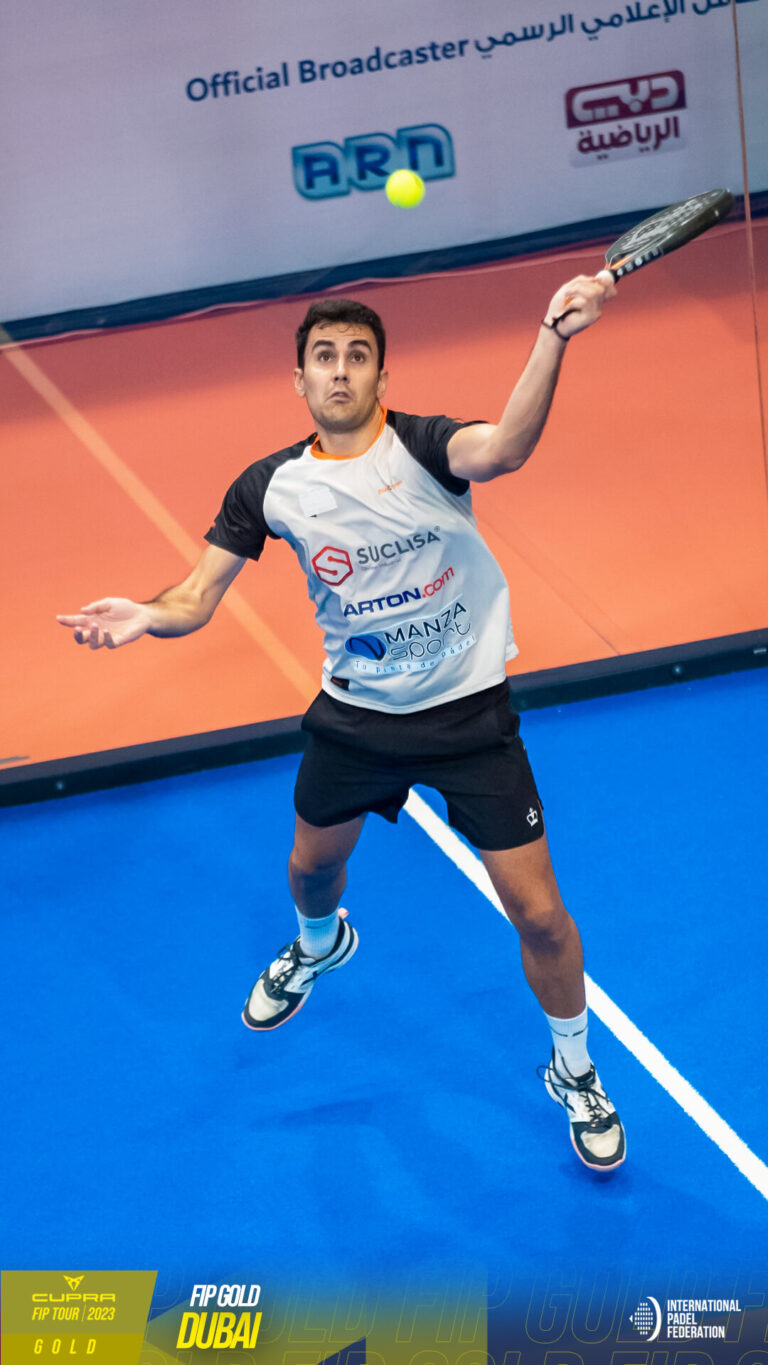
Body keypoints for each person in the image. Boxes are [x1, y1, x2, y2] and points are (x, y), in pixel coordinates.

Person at [57, 272, 625, 1171]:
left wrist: (552, 335)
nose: (340, 370)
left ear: (381, 377)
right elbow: (196, 595)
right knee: (310, 868)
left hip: (470, 717)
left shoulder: (426, 447)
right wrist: (147, 615)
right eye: (324, 356)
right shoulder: (272, 486)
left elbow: (507, 447)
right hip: (357, 719)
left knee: (543, 916)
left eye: (358, 356)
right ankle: (321, 944)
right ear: (300, 380)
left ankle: (575, 1067)